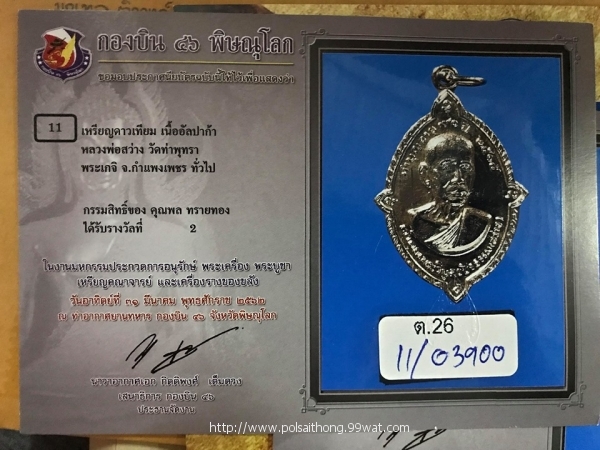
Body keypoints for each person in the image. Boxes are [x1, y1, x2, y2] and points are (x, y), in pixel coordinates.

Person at [409, 131, 492, 256]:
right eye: (447, 168)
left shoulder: (480, 221)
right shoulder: (415, 221)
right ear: (425, 174)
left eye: (465, 168)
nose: (458, 178)